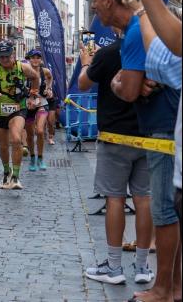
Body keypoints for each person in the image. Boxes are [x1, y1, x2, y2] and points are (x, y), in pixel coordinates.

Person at [91, 0, 181, 302]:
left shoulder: (133, 32)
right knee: (165, 208)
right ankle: (173, 286)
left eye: (95, 0)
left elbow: (129, 91)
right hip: (161, 128)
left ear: (110, 0)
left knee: (165, 212)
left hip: (162, 129)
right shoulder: (139, 29)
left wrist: (118, 82)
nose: (93, 6)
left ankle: (163, 288)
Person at [79, 33, 153, 285]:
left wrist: (86, 62)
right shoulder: (152, 51)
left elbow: (82, 84)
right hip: (147, 136)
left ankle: (113, 267)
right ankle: (142, 266)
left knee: (115, 199)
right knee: (144, 200)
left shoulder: (108, 53)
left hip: (114, 137)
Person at [0, 41, 41, 190]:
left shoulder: (22, 67)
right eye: (1, 57)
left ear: (13, 54)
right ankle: (7, 171)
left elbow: (36, 77)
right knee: (4, 146)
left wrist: (33, 95)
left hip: (18, 108)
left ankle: (16, 177)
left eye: (7, 56)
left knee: (16, 139)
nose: (5, 59)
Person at [23, 49, 53, 171]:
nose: (35, 60)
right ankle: (32, 158)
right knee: (30, 134)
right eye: (33, 57)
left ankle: (40, 158)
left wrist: (49, 89)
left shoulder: (44, 71)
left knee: (40, 131)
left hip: (42, 103)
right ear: (29, 59)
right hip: (28, 104)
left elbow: (50, 78)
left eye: (38, 57)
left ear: (41, 60)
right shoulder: (24, 70)